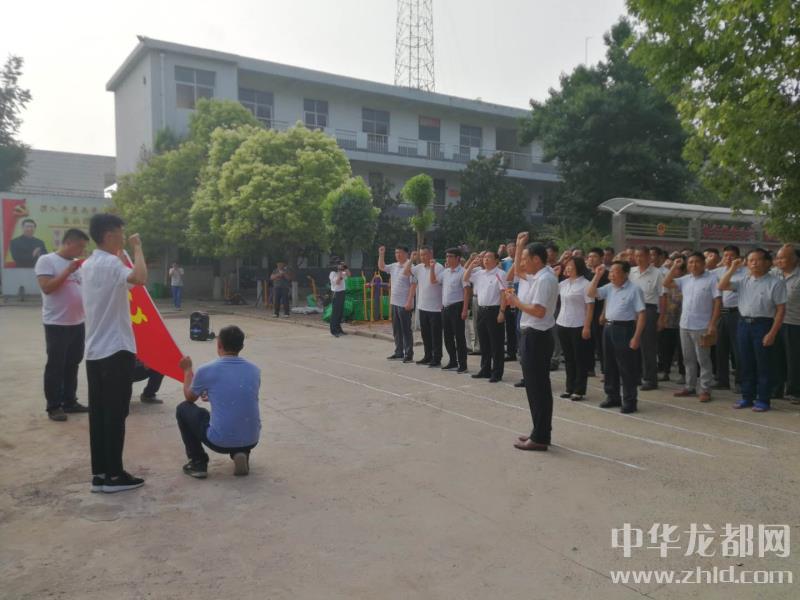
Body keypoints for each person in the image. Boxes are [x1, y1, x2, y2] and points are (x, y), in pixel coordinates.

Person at [82, 213, 148, 493]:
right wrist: (137, 248)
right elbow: (140, 278)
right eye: (121, 233)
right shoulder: (111, 264)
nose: (124, 236)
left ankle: (100, 474)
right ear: (109, 235)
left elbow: (125, 283)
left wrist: (122, 256)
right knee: (115, 414)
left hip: (94, 352)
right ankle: (114, 475)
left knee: (99, 414)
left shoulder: (88, 265)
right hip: (116, 349)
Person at [176, 325, 261, 479]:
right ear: (242, 346)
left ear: (219, 344)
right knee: (241, 415)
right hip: (252, 439)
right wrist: (214, 395)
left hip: (220, 442)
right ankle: (241, 452)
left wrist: (187, 371)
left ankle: (198, 462)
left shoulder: (207, 369)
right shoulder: (254, 370)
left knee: (183, 409)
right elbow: (243, 395)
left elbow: (189, 397)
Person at [504, 239, 559, 451]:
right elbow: (518, 270)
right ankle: (539, 431)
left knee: (538, 388)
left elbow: (539, 311)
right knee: (535, 388)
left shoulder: (545, 279)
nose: (522, 263)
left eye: (526, 258)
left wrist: (516, 302)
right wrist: (519, 247)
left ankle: (541, 437)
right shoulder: (538, 276)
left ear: (537, 259)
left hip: (537, 336)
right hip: (532, 336)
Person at [718, 249, 787, 412]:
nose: (754, 263)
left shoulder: (775, 282)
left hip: (763, 325)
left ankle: (763, 399)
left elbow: (781, 310)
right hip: (743, 324)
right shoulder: (744, 280)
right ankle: (747, 397)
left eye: (757, 260)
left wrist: (772, 333)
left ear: (767, 262)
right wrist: (733, 268)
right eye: (750, 260)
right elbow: (721, 285)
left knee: (763, 363)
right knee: (745, 362)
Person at [35, 228, 91, 421]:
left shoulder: (78, 265)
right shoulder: (47, 260)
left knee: (72, 363)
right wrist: (68, 271)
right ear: (68, 243)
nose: (82, 251)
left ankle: (70, 401)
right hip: (57, 323)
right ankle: (53, 406)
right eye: (80, 246)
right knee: (56, 365)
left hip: (77, 322)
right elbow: (47, 288)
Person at [587, 261, 646, 414]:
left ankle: (630, 401)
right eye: (610, 272)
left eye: (615, 272)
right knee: (609, 364)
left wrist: (636, 337)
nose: (611, 275)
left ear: (625, 274)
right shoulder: (609, 287)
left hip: (625, 329)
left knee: (626, 367)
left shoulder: (634, 289)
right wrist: (597, 276)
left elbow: (641, 314)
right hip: (608, 328)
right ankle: (612, 396)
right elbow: (591, 293)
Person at [663, 253, 721, 402]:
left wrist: (712, 324)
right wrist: (674, 266)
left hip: (702, 326)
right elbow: (666, 283)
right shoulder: (685, 279)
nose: (693, 265)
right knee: (688, 358)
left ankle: (705, 389)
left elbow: (717, 302)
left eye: (697, 262)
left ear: (703, 263)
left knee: (703, 359)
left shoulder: (712, 279)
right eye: (690, 262)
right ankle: (690, 386)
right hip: (685, 324)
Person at [463, 250, 507, 382]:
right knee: (484, 342)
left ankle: (497, 372)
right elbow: (465, 278)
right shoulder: (479, 273)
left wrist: (502, 311)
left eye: (489, 257)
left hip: (494, 310)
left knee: (496, 344)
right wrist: (472, 264)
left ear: (496, 260)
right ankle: (485, 369)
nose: (486, 260)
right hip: (481, 310)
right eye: (484, 258)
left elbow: (504, 293)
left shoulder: (500, 274)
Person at [555, 256, 595, 401]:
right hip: (562, 323)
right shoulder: (563, 283)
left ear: (578, 266)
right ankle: (569, 387)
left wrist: (587, 326)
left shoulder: (586, 284)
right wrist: (555, 275)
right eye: (566, 265)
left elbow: (590, 307)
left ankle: (579, 389)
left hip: (578, 324)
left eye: (570, 265)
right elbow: (552, 293)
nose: (567, 267)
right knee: (568, 358)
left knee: (579, 358)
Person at [629, 246, 666, 391]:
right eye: (636, 256)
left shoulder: (657, 273)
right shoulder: (631, 272)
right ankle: (635, 376)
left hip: (649, 309)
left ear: (648, 257)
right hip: (631, 310)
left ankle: (650, 379)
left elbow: (662, 296)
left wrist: (661, 317)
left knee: (647, 346)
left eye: (642, 256)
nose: (639, 259)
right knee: (633, 344)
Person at [711, 246, 746, 392]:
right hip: (721, 312)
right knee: (720, 348)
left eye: (731, 256)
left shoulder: (745, 273)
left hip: (737, 313)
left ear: (738, 257)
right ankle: (722, 380)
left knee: (738, 349)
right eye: (725, 255)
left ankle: (740, 381)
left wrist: (733, 268)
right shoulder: (717, 271)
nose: (728, 258)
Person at [406, 246, 444, 367]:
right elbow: (406, 272)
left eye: (425, 254)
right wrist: (411, 260)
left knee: (435, 335)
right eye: (421, 255)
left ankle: (437, 358)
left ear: (431, 254)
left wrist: (431, 267)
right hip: (423, 306)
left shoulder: (439, 267)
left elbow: (434, 281)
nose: (423, 257)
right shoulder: (419, 267)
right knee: (425, 334)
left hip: (435, 308)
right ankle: (427, 356)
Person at [378, 245, 414, 363]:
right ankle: (399, 352)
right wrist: (381, 254)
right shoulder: (394, 266)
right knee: (397, 329)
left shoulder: (410, 266)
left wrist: (409, 301)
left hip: (404, 304)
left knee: (406, 329)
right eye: (396, 253)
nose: (398, 255)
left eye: (400, 252)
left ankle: (408, 354)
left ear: (406, 254)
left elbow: (413, 285)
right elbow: (382, 267)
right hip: (394, 302)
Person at [774, 244, 799, 403]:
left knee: (794, 359)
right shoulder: (773, 274)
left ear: (794, 259)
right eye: (778, 258)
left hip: (794, 323)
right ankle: (776, 389)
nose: (779, 261)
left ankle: (795, 391)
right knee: (776, 358)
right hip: (774, 323)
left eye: (783, 258)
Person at [440, 247, 470, 373]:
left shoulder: (463, 272)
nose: (447, 259)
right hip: (445, 308)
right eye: (447, 256)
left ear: (458, 258)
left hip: (457, 307)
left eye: (450, 256)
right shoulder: (445, 272)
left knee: (459, 337)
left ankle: (463, 364)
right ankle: (452, 361)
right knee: (447, 337)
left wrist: (464, 310)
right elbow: (436, 283)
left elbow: (466, 291)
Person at [658, 258, 686, 385]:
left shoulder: (686, 282)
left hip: (682, 321)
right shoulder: (666, 283)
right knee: (665, 348)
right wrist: (661, 317)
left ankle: (683, 374)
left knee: (682, 350)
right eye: (672, 270)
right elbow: (662, 299)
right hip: (668, 320)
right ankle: (665, 371)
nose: (674, 272)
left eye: (677, 270)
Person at [586, 248, 609, 375]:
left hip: (600, 310)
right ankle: (590, 368)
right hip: (587, 311)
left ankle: (605, 369)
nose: (591, 259)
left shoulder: (606, 274)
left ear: (601, 258)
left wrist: (604, 313)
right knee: (588, 340)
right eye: (589, 256)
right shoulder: (586, 274)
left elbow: (608, 296)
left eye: (594, 256)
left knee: (601, 341)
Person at [500, 240, 518, 361]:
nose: (511, 249)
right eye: (509, 247)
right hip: (508, 294)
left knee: (519, 325)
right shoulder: (505, 262)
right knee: (510, 325)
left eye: (513, 247)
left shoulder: (522, 261)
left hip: (519, 293)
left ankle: (519, 349)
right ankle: (511, 352)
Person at [328, 261, 350, 338]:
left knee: (340, 313)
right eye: (339, 265)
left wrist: (345, 267)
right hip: (336, 293)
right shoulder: (332, 273)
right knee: (335, 313)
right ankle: (334, 331)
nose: (340, 266)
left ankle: (339, 329)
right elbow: (337, 282)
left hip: (342, 293)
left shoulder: (341, 272)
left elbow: (349, 275)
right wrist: (340, 272)